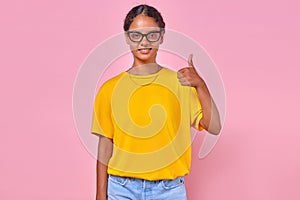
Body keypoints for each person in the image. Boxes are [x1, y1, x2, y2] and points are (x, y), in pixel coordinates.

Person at [91, 4, 221, 200]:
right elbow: (105, 144)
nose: (144, 42)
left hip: (169, 190)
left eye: (151, 35)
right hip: (121, 188)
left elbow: (214, 126)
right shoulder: (110, 89)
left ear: (161, 36)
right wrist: (101, 194)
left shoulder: (180, 84)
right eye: (136, 35)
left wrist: (201, 85)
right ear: (127, 37)